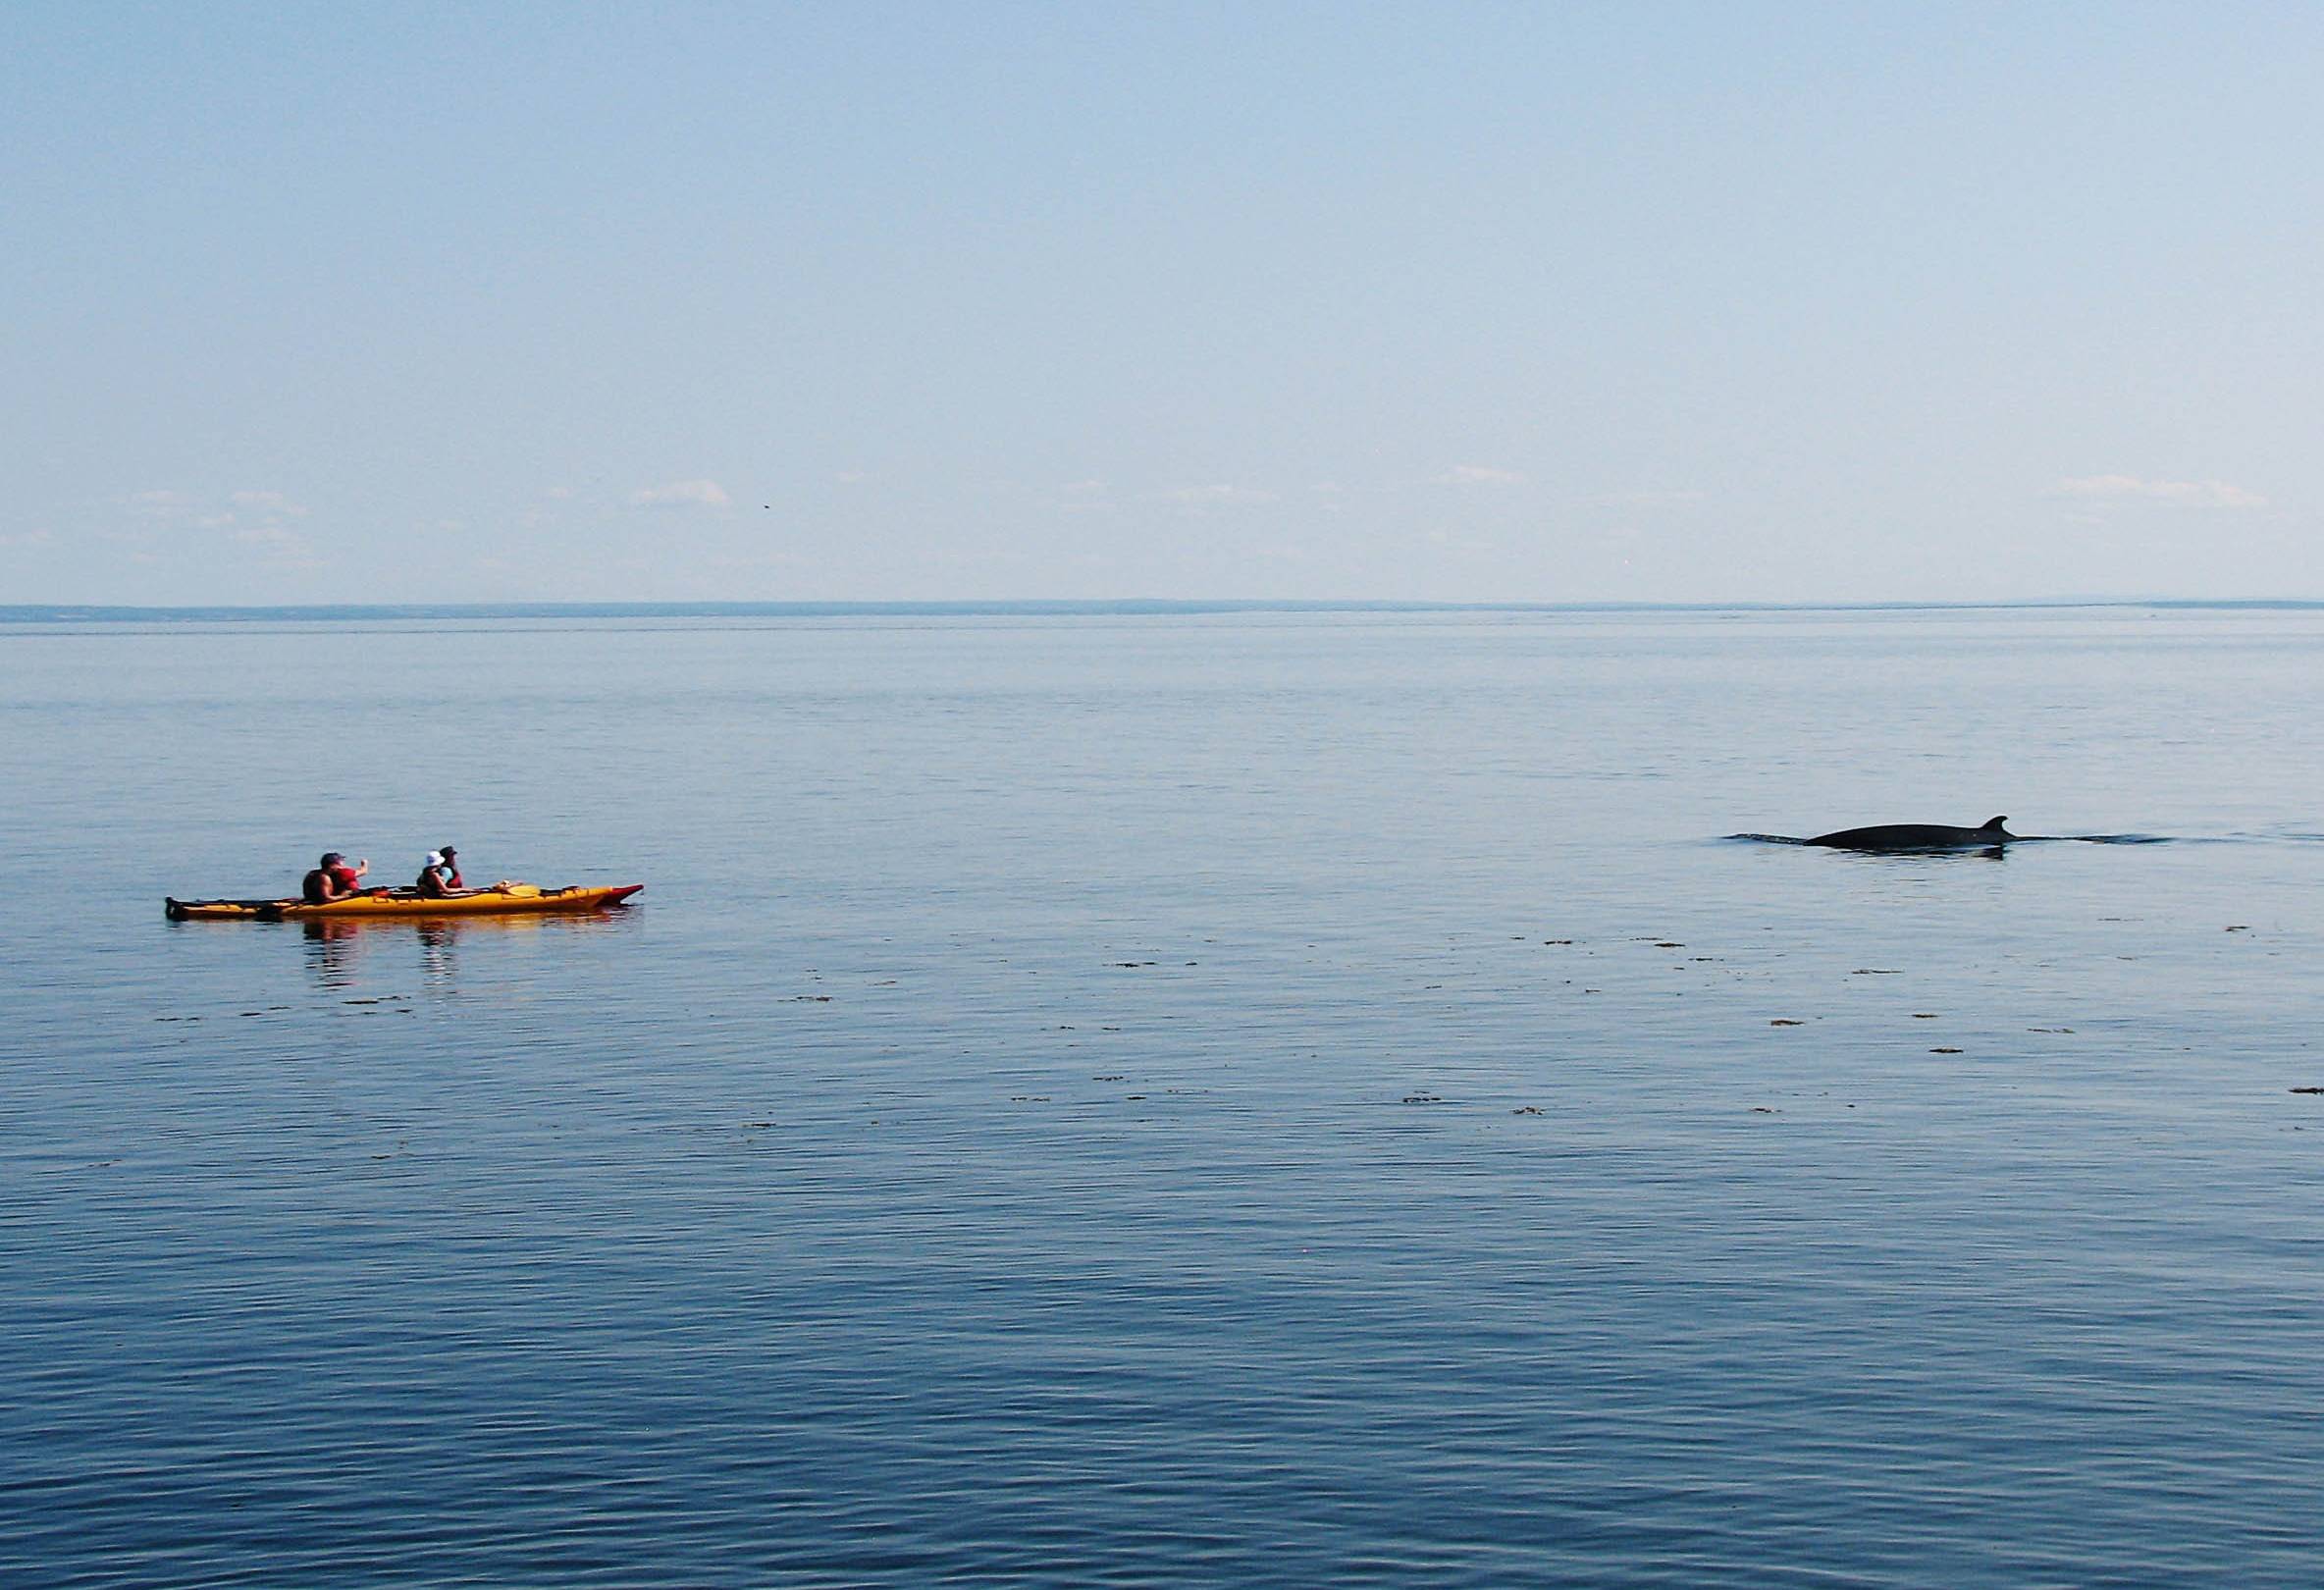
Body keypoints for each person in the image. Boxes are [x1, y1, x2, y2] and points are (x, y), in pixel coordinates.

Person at [302, 851, 368, 904]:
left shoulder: (313, 873)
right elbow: (327, 899)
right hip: (321, 903)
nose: (342, 865)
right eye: (340, 863)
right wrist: (346, 896)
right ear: (332, 866)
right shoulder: (324, 878)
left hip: (311, 900)